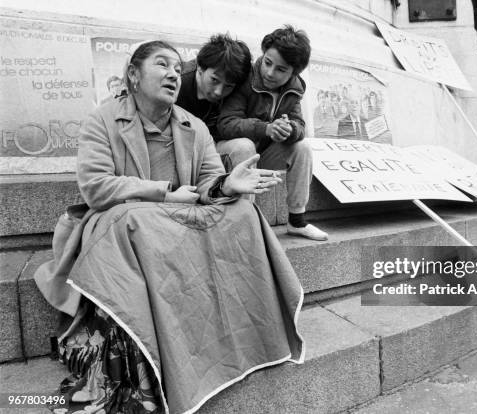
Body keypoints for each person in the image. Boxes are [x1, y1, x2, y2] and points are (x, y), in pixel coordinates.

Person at [34, 40, 304, 414]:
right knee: (135, 220)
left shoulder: (194, 126)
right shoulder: (103, 118)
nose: (174, 74)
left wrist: (226, 185)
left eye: (178, 69)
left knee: (244, 214)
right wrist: (165, 193)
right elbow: (97, 187)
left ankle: (248, 337)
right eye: (162, 65)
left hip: (176, 219)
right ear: (133, 75)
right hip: (119, 219)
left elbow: (209, 181)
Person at [217, 25, 328, 241]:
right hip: (226, 153)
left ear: (293, 72)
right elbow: (226, 124)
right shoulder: (246, 77)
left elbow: (300, 125)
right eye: (268, 62)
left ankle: (297, 221)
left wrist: (289, 129)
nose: (269, 72)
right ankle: (246, 221)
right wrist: (266, 128)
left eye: (281, 69)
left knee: (302, 147)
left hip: (260, 155)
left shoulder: (295, 88)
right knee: (244, 146)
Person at [176, 33, 252, 141]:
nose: (218, 92)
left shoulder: (237, 89)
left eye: (228, 86)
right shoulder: (177, 83)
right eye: (214, 80)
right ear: (200, 67)